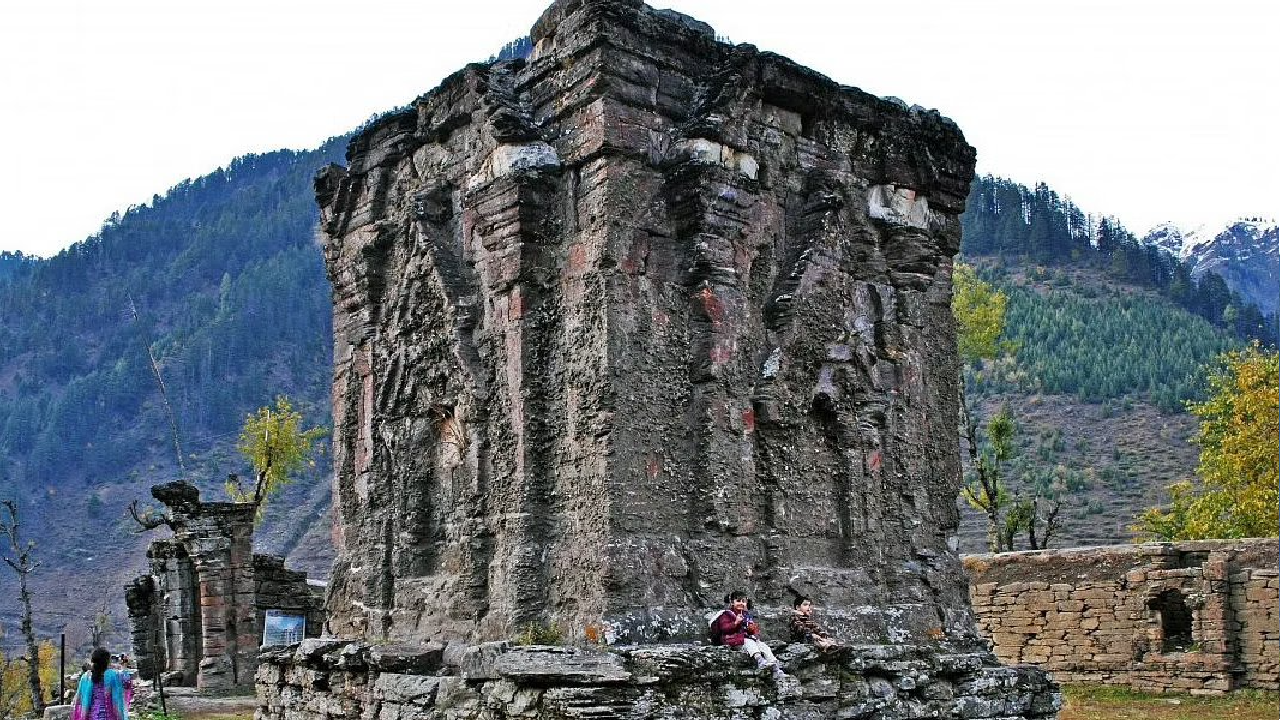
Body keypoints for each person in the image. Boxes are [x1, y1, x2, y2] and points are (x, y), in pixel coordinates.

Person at [709, 590, 786, 678]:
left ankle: (775, 667)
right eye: (738, 601)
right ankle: (759, 660)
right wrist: (735, 623)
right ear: (732, 602)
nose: (741, 603)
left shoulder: (746, 615)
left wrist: (752, 630)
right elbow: (724, 628)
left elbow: (750, 631)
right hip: (732, 640)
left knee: (763, 645)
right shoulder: (727, 614)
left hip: (744, 639)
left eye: (743, 601)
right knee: (750, 643)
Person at [71, 647, 129, 720]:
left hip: (91, 716)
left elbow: (79, 700)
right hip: (109, 716)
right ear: (107, 661)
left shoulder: (86, 677)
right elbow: (127, 684)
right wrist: (125, 666)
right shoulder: (113, 675)